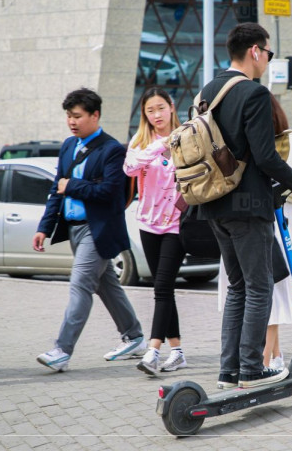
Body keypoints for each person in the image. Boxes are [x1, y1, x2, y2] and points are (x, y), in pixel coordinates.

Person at [199, 23, 292, 389]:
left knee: (237, 287)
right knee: (259, 286)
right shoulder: (253, 94)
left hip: (214, 205)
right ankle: (251, 369)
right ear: (254, 51)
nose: (267, 60)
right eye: (267, 53)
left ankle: (229, 370)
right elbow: (265, 156)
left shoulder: (208, 91)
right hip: (248, 207)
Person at [33, 88, 146, 372]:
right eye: (69, 116)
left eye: (78, 116)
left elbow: (110, 192)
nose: (72, 121)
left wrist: (71, 186)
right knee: (106, 285)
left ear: (95, 115)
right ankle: (134, 336)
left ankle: (62, 349)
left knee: (81, 285)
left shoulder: (112, 150)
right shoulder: (68, 146)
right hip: (73, 229)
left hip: (99, 230)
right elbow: (55, 189)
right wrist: (44, 228)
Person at [217, 94, 292, 371]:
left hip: (272, 215)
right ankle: (256, 365)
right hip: (259, 216)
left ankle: (267, 358)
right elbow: (289, 180)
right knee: (262, 289)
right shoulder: (252, 140)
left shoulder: (284, 139)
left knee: (262, 288)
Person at [123, 87, 187, 376]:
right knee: (165, 290)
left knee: (162, 287)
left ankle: (152, 351)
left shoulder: (187, 136)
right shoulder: (141, 141)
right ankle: (178, 352)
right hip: (148, 223)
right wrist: (158, 147)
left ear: (172, 107)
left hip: (176, 223)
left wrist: (173, 145)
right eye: (150, 110)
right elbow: (129, 168)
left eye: (161, 107)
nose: (157, 115)